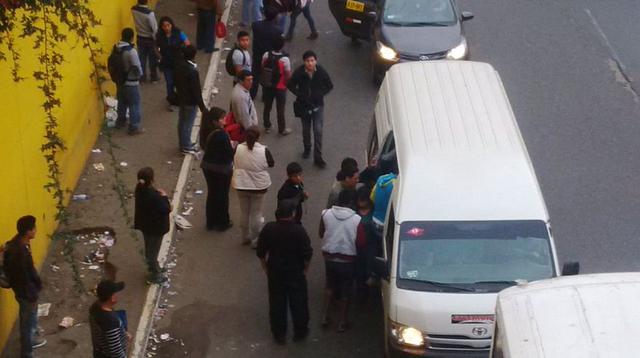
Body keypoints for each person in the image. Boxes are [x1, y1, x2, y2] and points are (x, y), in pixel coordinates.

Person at [256, 200, 313, 345]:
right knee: (299, 302)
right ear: (292, 214)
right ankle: (300, 331)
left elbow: (261, 252)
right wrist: (305, 270)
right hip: (295, 272)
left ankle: (279, 333)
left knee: (277, 302)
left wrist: (266, 269)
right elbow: (307, 254)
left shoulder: (269, 228)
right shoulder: (298, 231)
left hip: (275, 271)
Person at [318, 189, 362, 332]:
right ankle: (342, 321)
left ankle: (324, 315)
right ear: (351, 202)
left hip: (329, 257)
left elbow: (321, 233)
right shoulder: (357, 219)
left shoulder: (326, 214)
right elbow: (360, 242)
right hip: (347, 259)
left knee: (329, 285)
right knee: (345, 289)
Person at [3, 215, 47, 357]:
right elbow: (23, 277)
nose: (35, 230)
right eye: (33, 228)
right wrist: (32, 293)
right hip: (26, 293)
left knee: (31, 317)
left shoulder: (19, 242)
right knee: (27, 323)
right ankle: (27, 352)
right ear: (28, 231)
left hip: (27, 290)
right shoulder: (20, 252)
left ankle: (32, 340)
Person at [287, 50, 333, 168]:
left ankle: (318, 157)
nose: (310, 63)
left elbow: (329, 85)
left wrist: (320, 94)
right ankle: (307, 148)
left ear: (315, 61)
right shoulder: (299, 72)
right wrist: (299, 94)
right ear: (304, 62)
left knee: (318, 130)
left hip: (318, 105)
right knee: (306, 130)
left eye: (312, 60)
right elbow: (290, 84)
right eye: (308, 61)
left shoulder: (321, 72)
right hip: (304, 106)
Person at [232, 126, 275, 248]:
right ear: (258, 137)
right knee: (256, 213)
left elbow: (234, 160)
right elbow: (271, 164)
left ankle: (244, 237)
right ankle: (255, 239)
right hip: (259, 187)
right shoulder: (263, 150)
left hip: (241, 185)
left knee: (244, 212)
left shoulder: (238, 148)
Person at [134, 167, 171, 284]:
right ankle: (155, 274)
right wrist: (164, 196)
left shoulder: (139, 189)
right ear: (151, 179)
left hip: (146, 226)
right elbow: (166, 209)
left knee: (149, 248)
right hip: (156, 228)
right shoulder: (154, 196)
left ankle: (154, 267)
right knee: (153, 251)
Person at [200, 107, 234, 231]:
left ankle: (211, 221)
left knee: (212, 193)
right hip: (221, 169)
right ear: (215, 121)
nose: (224, 120)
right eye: (221, 118)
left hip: (208, 167)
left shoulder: (206, 131)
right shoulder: (221, 134)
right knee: (223, 196)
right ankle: (222, 222)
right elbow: (230, 153)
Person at [174, 45, 208, 154]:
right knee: (188, 123)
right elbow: (196, 90)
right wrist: (202, 106)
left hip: (182, 98)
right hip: (190, 100)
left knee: (182, 122)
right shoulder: (192, 71)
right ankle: (186, 145)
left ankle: (183, 143)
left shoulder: (179, 65)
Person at [156, 17, 190, 111]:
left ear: (171, 25)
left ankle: (181, 100)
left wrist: (185, 54)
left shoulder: (178, 33)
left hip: (178, 63)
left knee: (179, 82)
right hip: (167, 64)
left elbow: (187, 43)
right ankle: (172, 101)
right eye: (164, 26)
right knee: (169, 83)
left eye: (168, 25)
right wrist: (159, 57)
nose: (166, 28)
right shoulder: (159, 36)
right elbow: (156, 47)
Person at [115, 28, 144, 135]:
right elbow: (137, 66)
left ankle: (120, 121)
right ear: (132, 37)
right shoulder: (131, 51)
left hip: (119, 80)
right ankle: (134, 126)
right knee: (134, 104)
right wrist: (140, 75)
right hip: (131, 82)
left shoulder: (116, 48)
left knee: (122, 102)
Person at [89, 280, 129, 358]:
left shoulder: (95, 307)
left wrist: (124, 334)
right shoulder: (110, 321)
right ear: (112, 298)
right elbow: (116, 351)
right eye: (116, 293)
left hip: (99, 350)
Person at [261, 36, 292, 135]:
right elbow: (287, 75)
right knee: (280, 109)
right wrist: (286, 85)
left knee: (267, 107)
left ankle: (267, 126)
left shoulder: (266, 55)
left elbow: (262, 67)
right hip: (280, 87)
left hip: (268, 86)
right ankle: (281, 129)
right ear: (282, 46)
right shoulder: (285, 59)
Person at [250, 6, 283, 99]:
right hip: (269, 57)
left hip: (257, 55)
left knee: (255, 75)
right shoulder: (278, 30)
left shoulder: (256, 25)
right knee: (267, 75)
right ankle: (265, 96)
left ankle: (253, 94)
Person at [131, 0, 159, 82]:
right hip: (149, 38)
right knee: (152, 59)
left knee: (142, 58)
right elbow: (154, 28)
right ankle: (153, 77)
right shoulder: (149, 13)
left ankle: (142, 77)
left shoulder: (133, 9)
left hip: (140, 36)